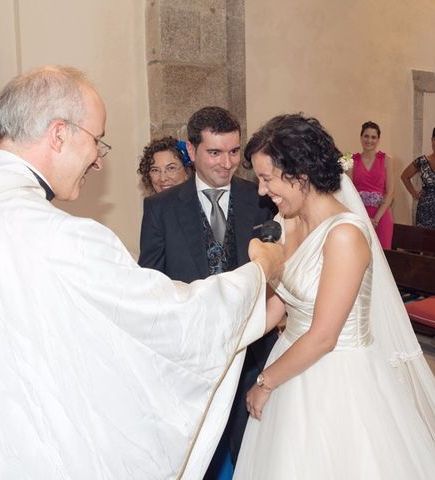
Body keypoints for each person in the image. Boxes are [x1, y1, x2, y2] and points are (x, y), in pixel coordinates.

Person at [0, 65, 284, 480]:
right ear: (59, 133)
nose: (98, 162)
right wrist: (261, 269)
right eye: (96, 140)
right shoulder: (58, 237)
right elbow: (169, 320)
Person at [233, 114, 435, 479]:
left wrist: (264, 382)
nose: (260, 190)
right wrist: (226, 341)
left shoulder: (345, 236)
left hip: (336, 375)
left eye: (267, 178)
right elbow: (276, 307)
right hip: (290, 358)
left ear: (300, 174)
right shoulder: (286, 219)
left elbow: (324, 336)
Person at [138, 106, 277, 478]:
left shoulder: (261, 198)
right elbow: (151, 281)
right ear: (192, 149)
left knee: (250, 444)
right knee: (199, 450)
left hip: (252, 345)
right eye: (215, 152)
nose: (227, 162)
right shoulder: (160, 208)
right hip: (191, 352)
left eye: (234, 151)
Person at [348, 121, 395, 248]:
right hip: (359, 214)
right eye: (366, 136)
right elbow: (349, 193)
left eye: (373, 137)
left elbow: (390, 192)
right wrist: (362, 217)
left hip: (381, 216)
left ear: (378, 139)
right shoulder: (351, 160)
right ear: (361, 137)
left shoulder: (386, 159)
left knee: (383, 254)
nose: (369, 140)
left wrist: (376, 219)